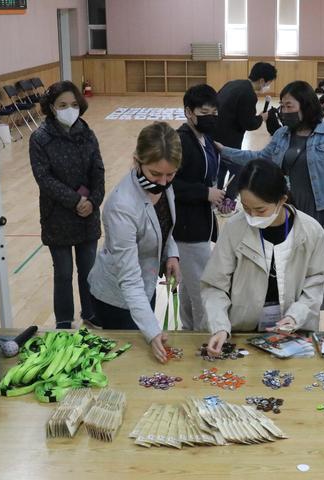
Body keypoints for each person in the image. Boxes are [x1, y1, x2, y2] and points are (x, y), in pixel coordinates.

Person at [216, 81, 324, 309]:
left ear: (306, 105)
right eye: (282, 106)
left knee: (318, 262)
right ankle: (288, 308)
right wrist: (224, 151)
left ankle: (314, 310)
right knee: (287, 260)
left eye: (289, 105)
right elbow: (259, 156)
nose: (284, 111)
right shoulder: (282, 134)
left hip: (322, 207)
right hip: (289, 206)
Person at [202, 160, 324, 356]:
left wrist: (296, 316)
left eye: (260, 210)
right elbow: (214, 285)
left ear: (282, 200)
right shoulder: (234, 229)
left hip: (293, 335)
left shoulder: (311, 231)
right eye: (246, 208)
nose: (252, 216)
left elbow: (316, 283)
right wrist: (220, 326)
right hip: (242, 333)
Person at [88, 122, 182, 363]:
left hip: (145, 284)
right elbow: (129, 280)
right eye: (155, 174)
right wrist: (152, 332)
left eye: (170, 174)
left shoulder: (163, 185)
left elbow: (165, 226)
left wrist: (172, 254)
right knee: (128, 362)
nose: (163, 182)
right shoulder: (122, 206)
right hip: (117, 297)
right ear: (136, 161)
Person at [29, 81, 104, 330]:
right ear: (51, 107)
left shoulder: (87, 133)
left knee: (88, 270)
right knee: (63, 273)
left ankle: (91, 313)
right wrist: (75, 201)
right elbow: (44, 178)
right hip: (57, 216)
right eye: (62, 105)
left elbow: (98, 170)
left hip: (88, 216)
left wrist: (92, 201)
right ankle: (63, 320)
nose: (69, 109)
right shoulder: (40, 138)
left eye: (73, 104)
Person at [172, 84, 223, 331]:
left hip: (202, 221)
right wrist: (205, 193)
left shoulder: (205, 138)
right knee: (202, 288)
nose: (211, 117)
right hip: (187, 228)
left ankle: (188, 330)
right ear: (189, 112)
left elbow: (208, 177)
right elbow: (170, 184)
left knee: (189, 285)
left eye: (214, 112)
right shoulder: (180, 141)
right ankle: (204, 337)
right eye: (205, 111)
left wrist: (216, 197)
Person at [214, 62, 277, 197]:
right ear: (261, 80)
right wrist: (262, 118)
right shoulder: (249, 94)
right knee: (239, 169)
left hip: (215, 135)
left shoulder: (232, 84)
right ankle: (228, 201)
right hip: (229, 139)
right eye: (268, 83)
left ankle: (215, 198)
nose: (267, 86)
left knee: (220, 168)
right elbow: (249, 124)